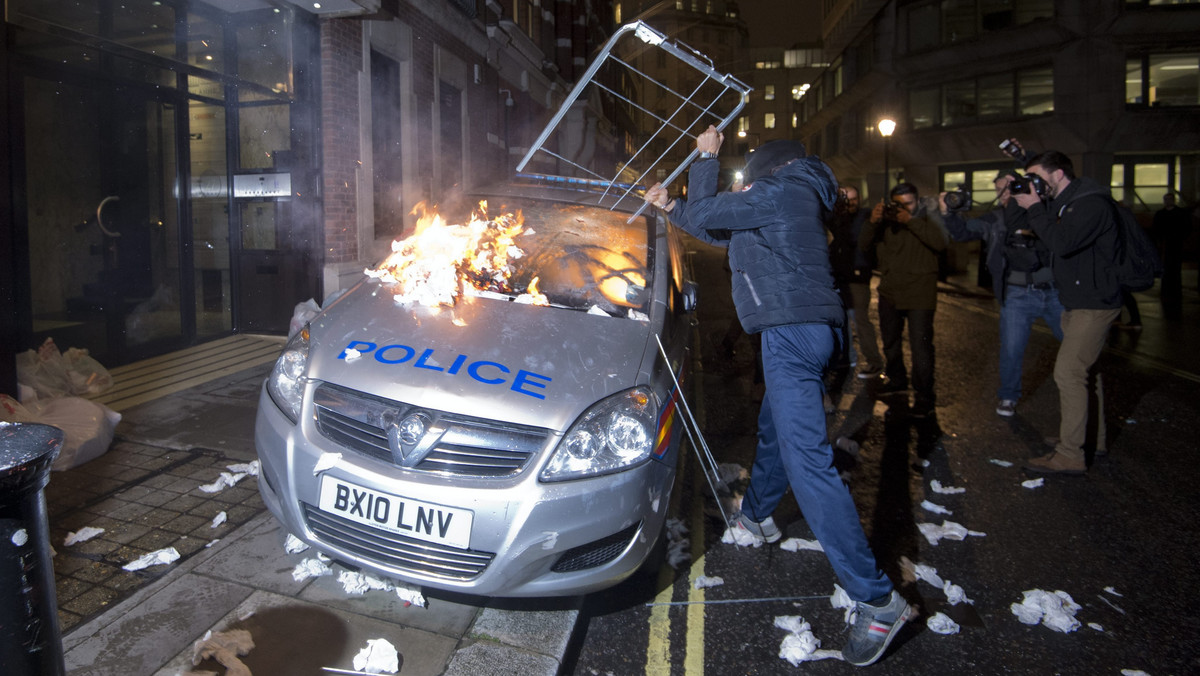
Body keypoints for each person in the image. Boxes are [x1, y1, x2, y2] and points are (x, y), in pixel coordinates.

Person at [644, 126, 911, 667]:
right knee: (774, 427)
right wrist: (672, 204)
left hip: (792, 330)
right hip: (799, 329)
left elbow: (711, 213)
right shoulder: (793, 195)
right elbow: (721, 231)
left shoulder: (785, 189)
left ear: (768, 169)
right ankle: (759, 516)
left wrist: (705, 160)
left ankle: (876, 598)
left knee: (808, 462)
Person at [1013, 150, 1121, 475]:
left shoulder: (1090, 203)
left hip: (1095, 303)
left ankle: (1071, 453)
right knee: (1088, 374)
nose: (1033, 185)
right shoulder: (1066, 202)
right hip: (1078, 301)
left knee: (1068, 373)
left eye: (1037, 178)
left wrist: (1033, 209)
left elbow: (1064, 243)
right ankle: (1091, 440)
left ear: (1058, 174)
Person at [940, 171, 1064, 417]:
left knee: (1075, 346)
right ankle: (1008, 396)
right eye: (999, 189)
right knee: (1011, 348)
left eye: (1010, 187)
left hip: (1054, 291)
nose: (1004, 194)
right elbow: (963, 233)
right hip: (1017, 293)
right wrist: (948, 212)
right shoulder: (996, 218)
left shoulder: (1043, 212)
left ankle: (1077, 396)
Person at [859, 182, 948, 418]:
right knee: (890, 342)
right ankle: (897, 380)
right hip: (890, 292)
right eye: (897, 204)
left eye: (907, 203)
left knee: (921, 348)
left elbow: (940, 243)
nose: (902, 209)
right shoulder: (885, 223)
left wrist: (910, 220)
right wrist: (873, 221)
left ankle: (924, 396)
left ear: (916, 201)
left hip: (920, 294)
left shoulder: (928, 218)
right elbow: (863, 245)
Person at [827, 185, 886, 379]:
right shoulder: (837, 217)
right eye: (846, 199)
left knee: (860, 321)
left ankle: (874, 362)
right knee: (841, 323)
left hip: (857, 278)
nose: (850, 203)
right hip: (839, 277)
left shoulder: (864, 216)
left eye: (853, 199)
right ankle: (846, 360)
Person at [1153, 192, 1190, 313]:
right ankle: (1168, 290)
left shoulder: (1179, 214)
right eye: (1166, 199)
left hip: (1175, 244)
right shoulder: (1161, 214)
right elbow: (1156, 229)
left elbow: (1186, 228)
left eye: (1169, 199)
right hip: (1167, 244)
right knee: (1168, 267)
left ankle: (1173, 290)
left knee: (1174, 267)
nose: (1168, 201)